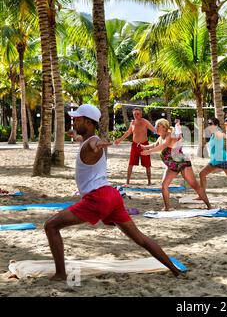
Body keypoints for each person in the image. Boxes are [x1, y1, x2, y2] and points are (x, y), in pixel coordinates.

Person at [44, 104, 181, 281]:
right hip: (112, 196)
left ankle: (61, 273)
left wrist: (99, 144)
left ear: (88, 122)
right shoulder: (85, 140)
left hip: (98, 198)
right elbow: (86, 141)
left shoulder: (93, 142)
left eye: (78, 120)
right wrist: (77, 136)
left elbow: (94, 144)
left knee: (51, 226)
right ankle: (175, 269)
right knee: (140, 238)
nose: (74, 122)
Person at [141, 119, 212, 211]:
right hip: (172, 165)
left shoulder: (169, 136)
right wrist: (144, 147)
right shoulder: (160, 138)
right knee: (164, 185)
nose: (156, 128)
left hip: (182, 163)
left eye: (158, 126)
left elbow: (163, 146)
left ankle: (209, 206)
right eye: (155, 125)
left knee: (195, 185)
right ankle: (167, 207)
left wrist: (149, 152)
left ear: (164, 127)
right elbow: (155, 144)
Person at [114, 107, 156, 186]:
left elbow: (154, 129)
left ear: (141, 114)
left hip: (144, 145)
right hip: (134, 145)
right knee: (130, 164)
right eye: (134, 114)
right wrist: (119, 140)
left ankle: (149, 182)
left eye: (138, 114)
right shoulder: (132, 123)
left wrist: (165, 133)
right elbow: (128, 133)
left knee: (147, 164)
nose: (136, 115)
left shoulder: (145, 122)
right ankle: (127, 181)